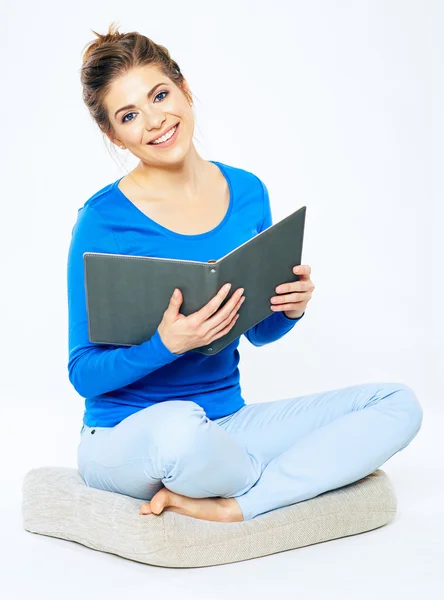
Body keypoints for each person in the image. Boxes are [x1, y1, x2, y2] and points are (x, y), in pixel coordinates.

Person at [70, 23, 423, 523]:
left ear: (184, 88)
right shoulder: (101, 220)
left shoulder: (248, 192)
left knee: (397, 403)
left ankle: (240, 502)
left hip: (226, 426)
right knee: (179, 429)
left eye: (160, 95)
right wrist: (166, 345)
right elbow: (82, 373)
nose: (154, 121)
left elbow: (259, 333)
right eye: (129, 115)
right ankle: (297, 474)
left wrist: (288, 308)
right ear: (115, 135)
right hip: (127, 437)